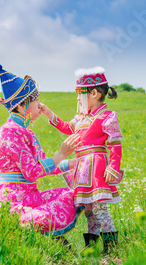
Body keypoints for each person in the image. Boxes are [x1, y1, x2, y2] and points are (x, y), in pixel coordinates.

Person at [0, 64, 84, 240]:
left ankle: (49, 241)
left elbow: (44, 165)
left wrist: (73, 163)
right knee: (45, 214)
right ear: (23, 106)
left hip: (28, 196)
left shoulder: (25, 131)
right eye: (36, 101)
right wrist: (61, 154)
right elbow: (32, 171)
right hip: (13, 200)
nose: (40, 106)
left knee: (72, 194)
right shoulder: (9, 131)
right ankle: (37, 237)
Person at [39, 66, 124, 253]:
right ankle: (91, 247)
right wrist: (47, 112)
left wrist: (113, 168)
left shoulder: (107, 117)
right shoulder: (80, 118)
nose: (78, 99)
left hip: (97, 168)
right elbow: (65, 127)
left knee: (100, 207)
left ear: (94, 93)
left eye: (80, 95)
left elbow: (115, 145)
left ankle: (111, 245)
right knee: (88, 209)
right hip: (83, 168)